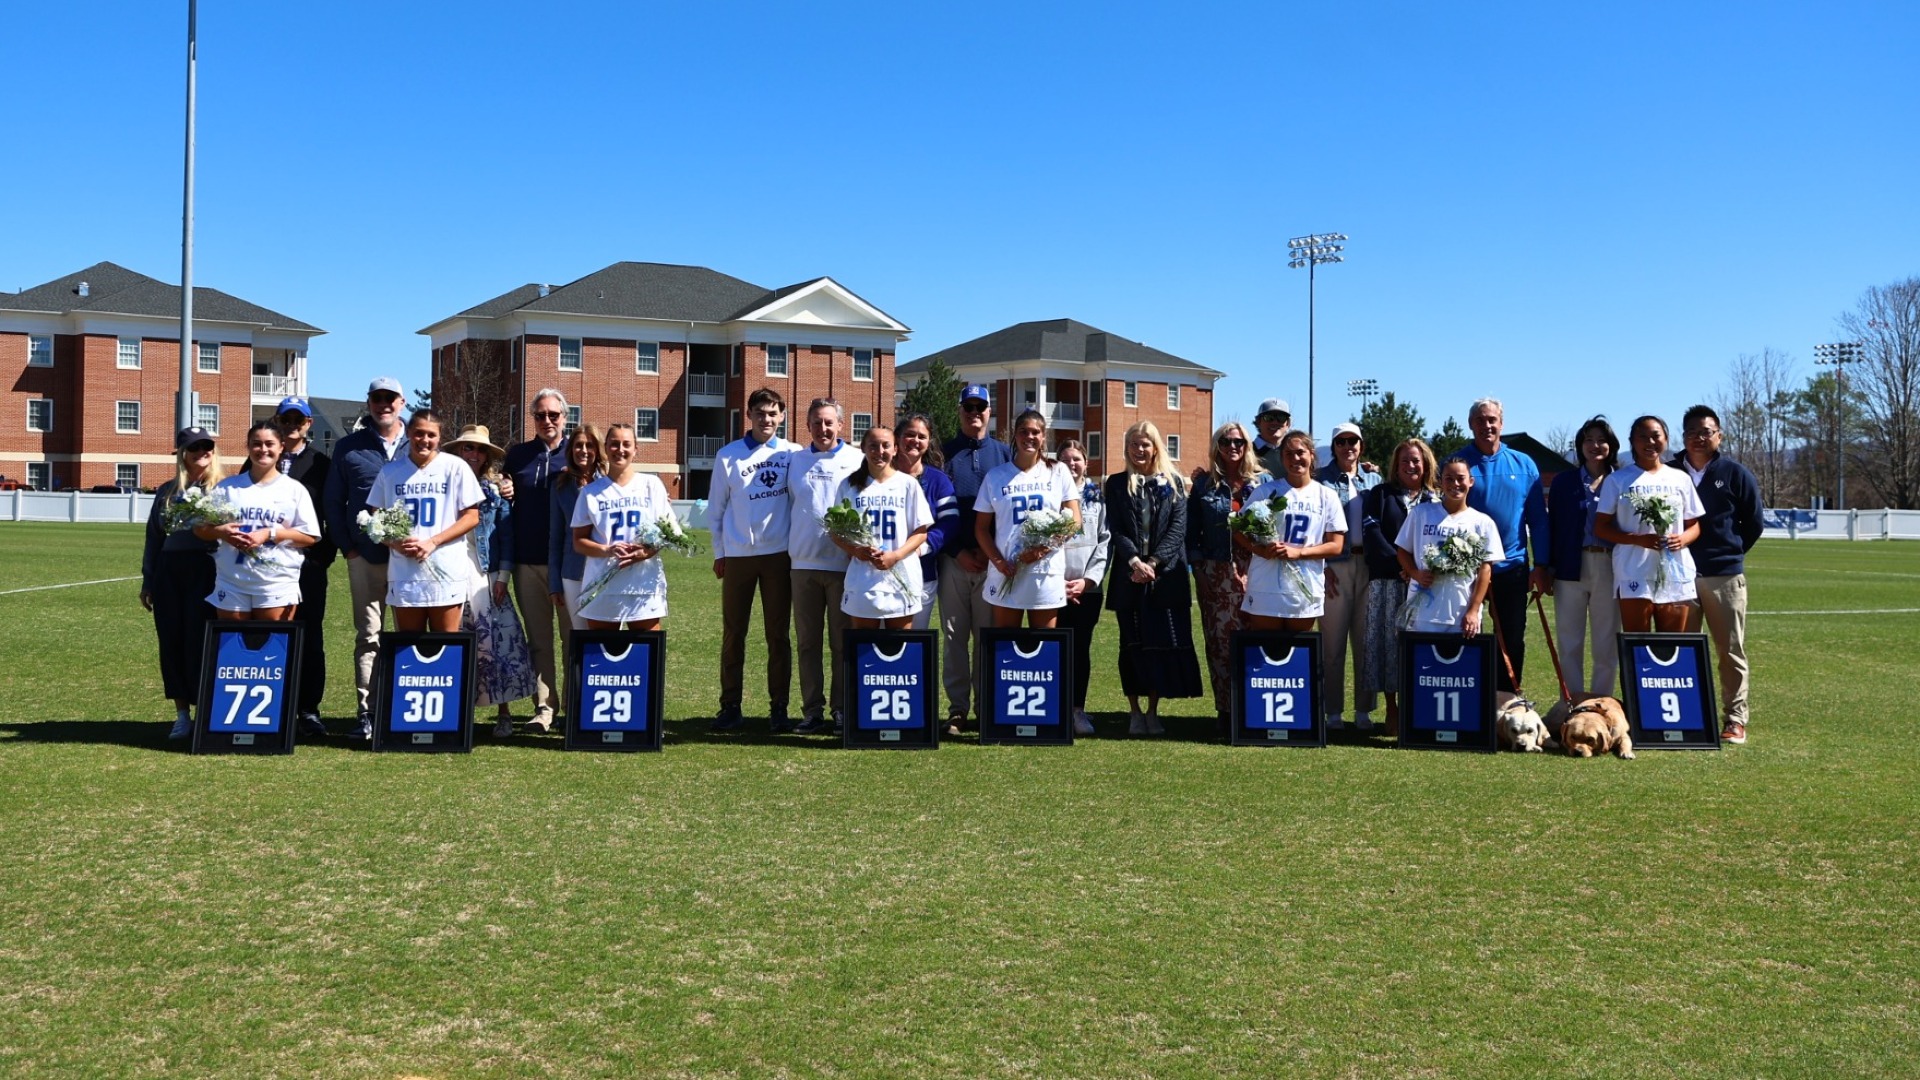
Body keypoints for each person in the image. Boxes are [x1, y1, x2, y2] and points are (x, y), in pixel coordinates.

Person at [322, 376, 410, 739]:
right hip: (367, 557)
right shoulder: (349, 447)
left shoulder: (420, 443)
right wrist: (350, 547)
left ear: (402, 402)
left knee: (412, 635)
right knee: (369, 636)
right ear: (369, 402)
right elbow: (332, 502)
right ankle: (367, 713)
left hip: (413, 560)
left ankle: (407, 709)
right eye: (377, 398)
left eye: (390, 398)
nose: (384, 404)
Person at [1104, 421, 1204, 736]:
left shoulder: (1173, 482)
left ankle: (1152, 711)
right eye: (1134, 443)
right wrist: (1135, 561)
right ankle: (1134, 712)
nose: (1140, 449)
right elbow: (1116, 527)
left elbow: (1178, 528)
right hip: (1128, 576)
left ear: (1156, 447)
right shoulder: (1117, 483)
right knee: (1132, 645)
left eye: (1145, 443)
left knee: (1158, 646)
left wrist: (1155, 563)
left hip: (1165, 578)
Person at [1673, 405, 1765, 745]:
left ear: (1719, 435)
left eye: (1706, 432)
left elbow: (1753, 523)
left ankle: (1735, 719)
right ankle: (1686, 715)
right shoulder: (1669, 472)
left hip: (1723, 577)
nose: (1698, 438)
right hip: (1677, 577)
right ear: (1682, 437)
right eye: (1692, 432)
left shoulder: (1735, 473)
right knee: (1680, 650)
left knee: (1729, 651)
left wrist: (1729, 553)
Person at [707, 388, 796, 732]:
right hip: (739, 556)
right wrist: (719, 553)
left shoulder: (793, 453)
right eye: (760, 413)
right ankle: (730, 706)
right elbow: (715, 511)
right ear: (749, 415)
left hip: (779, 557)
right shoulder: (728, 456)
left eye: (773, 413)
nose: (767, 419)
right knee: (734, 634)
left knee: (778, 635)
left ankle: (779, 708)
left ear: (783, 416)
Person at [1449, 398, 1550, 691]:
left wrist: (1541, 565)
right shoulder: (1457, 464)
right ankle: (1469, 696)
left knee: (1511, 637)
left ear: (1502, 424)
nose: (1487, 425)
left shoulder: (1524, 464)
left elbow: (1538, 521)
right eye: (1480, 420)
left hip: (1513, 567)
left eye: (1492, 419)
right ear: (1471, 425)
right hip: (1465, 569)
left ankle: (1506, 700)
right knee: (1465, 633)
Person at [448, 425, 537, 738]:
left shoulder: (495, 491)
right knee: (455, 642)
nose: (473, 454)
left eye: (479, 449)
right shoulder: (444, 484)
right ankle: (454, 712)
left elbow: (507, 536)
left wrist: (503, 576)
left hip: (485, 573)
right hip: (450, 573)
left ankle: (504, 713)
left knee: (498, 643)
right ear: (458, 451)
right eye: (467, 448)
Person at [366, 408, 484, 633]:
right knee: (408, 648)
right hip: (405, 572)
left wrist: (433, 542)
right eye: (419, 433)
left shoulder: (455, 467)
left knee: (446, 646)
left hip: (445, 570)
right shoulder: (390, 472)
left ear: (440, 437)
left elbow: (471, 516)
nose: (425, 440)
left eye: (432, 435)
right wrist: (395, 543)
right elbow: (376, 518)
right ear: (409, 432)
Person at [786, 399, 864, 734]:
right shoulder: (796, 460)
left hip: (843, 566)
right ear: (807, 425)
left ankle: (842, 710)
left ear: (841, 426)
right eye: (817, 422)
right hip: (802, 564)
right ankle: (812, 711)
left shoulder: (857, 460)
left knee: (841, 643)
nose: (823, 429)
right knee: (807, 644)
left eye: (829, 422)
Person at [939, 384, 1013, 733]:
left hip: (992, 563)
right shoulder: (944, 453)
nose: (974, 413)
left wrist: (990, 555)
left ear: (989, 411)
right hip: (954, 559)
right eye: (968, 407)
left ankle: (986, 706)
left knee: (987, 636)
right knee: (954, 637)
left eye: (980, 407)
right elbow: (935, 508)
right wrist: (956, 551)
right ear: (960, 411)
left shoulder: (1004, 453)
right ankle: (957, 709)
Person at [140, 427, 223, 740]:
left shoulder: (224, 490)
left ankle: (206, 711)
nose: (201, 452)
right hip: (170, 572)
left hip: (208, 570)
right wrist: (149, 580)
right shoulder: (166, 491)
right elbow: (154, 538)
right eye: (194, 447)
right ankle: (181, 715)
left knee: (200, 640)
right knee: (171, 640)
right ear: (182, 454)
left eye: (207, 446)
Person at [196, 421, 321, 622]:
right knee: (231, 645)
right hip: (232, 581)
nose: (263, 449)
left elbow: (309, 537)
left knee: (272, 648)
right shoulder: (227, 487)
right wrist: (221, 531)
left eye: (269, 444)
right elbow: (201, 529)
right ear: (248, 447)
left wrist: (270, 534)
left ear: (281, 447)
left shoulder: (294, 490)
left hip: (275, 583)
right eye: (256, 444)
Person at [502, 390, 573, 734]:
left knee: (573, 638)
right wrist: (502, 484)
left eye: (554, 415)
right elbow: (495, 485)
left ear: (565, 417)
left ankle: (578, 708)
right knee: (539, 641)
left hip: (570, 565)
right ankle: (545, 709)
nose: (548, 421)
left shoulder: (578, 453)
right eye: (541, 415)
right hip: (527, 562)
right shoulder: (518, 456)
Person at [1188, 421, 1265, 731]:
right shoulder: (1204, 485)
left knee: (1255, 638)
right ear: (1216, 446)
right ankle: (1226, 709)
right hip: (1215, 570)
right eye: (1226, 441)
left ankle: (1253, 706)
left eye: (1238, 442)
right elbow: (1192, 534)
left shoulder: (1262, 484)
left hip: (1256, 569)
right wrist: (1199, 572)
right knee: (1220, 643)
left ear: (1246, 446)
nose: (1233, 447)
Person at [1595, 415, 1704, 634]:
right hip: (1633, 569)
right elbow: (1600, 527)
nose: (1650, 442)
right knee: (1638, 647)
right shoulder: (1618, 480)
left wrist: (1682, 539)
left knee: (1672, 648)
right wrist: (1637, 540)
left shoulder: (1680, 478)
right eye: (1642, 437)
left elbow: (1695, 525)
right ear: (1632, 441)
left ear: (1666, 439)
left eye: (1656, 436)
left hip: (1674, 571)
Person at [974, 409, 1081, 629]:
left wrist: (1042, 549)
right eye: (1024, 431)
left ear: (1043, 437)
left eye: (1035, 432)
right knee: (1004, 647)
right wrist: (999, 562)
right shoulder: (996, 476)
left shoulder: (1058, 471)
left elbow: (1075, 521)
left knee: (1044, 647)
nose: (1029, 437)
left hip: (1045, 571)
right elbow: (981, 529)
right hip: (1007, 570)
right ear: (1015, 435)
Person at [1359, 438, 1438, 735]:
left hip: (1427, 587)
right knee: (1387, 645)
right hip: (1389, 581)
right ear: (1396, 465)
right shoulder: (1380, 494)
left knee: (1421, 647)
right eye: (1405, 460)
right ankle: (1392, 709)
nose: (1410, 465)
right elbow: (1373, 534)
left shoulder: (1436, 500)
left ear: (1426, 463)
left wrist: (1420, 572)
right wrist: (1405, 568)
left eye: (1416, 460)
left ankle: (1418, 708)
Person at [1546, 416, 1623, 698]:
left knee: (1606, 643)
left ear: (1611, 445)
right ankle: (1572, 703)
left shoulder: (1622, 479)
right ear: (1580, 445)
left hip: (1611, 566)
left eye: (1601, 439)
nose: (1595, 445)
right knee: (1569, 642)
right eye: (1588, 439)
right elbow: (1552, 526)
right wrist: (1548, 568)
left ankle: (1601, 704)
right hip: (1570, 567)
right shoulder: (1564, 482)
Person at [571, 423, 674, 632]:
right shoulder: (590, 492)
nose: (620, 449)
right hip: (603, 585)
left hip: (643, 584)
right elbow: (578, 542)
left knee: (647, 656)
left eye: (626, 444)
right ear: (606, 448)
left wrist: (645, 552)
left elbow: (669, 532)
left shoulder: (651, 485)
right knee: (602, 657)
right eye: (614, 444)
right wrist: (607, 550)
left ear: (635, 449)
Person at [1238, 430, 1344, 633]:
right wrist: (1261, 550)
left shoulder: (1327, 496)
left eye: (1300, 452)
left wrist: (1299, 553)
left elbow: (1336, 545)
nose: (1295, 458)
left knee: (1300, 655)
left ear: (1312, 455)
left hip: (1305, 587)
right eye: (1288, 454)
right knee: (1265, 652)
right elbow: (1237, 529)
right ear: (1282, 458)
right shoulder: (1265, 491)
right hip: (1266, 584)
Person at [273, 397, 334, 739]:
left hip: (307, 568)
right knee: (273, 636)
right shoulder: (263, 457)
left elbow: (333, 512)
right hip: (266, 570)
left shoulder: (321, 464)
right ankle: (277, 705)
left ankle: (308, 710)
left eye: (299, 419)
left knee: (310, 637)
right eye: (287, 418)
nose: (293, 424)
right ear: (278, 421)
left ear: (309, 424)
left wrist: (321, 557)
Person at [1317, 421, 1382, 732]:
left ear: (1361, 446)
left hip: (1368, 565)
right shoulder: (1320, 480)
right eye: (1341, 442)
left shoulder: (1374, 478)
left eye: (1353, 441)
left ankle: (1364, 711)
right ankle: (1332, 712)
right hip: (1335, 566)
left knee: (1365, 642)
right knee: (1332, 644)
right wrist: (1322, 565)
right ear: (1334, 447)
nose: (1348, 447)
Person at [834, 425, 933, 629]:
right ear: (863, 448)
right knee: (863, 649)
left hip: (901, 576)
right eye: (873, 446)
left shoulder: (908, 484)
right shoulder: (849, 485)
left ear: (895, 449)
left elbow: (921, 532)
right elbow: (835, 532)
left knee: (900, 650)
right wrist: (855, 550)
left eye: (886, 446)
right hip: (864, 579)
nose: (880, 452)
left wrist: (895, 556)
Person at [1395, 459, 1504, 635]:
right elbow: (1402, 551)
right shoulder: (1421, 513)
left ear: (1471, 481)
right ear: (1440, 481)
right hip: (1423, 612)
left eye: (1461, 478)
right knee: (1422, 661)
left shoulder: (1483, 522)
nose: (1455, 484)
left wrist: (1473, 610)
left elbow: (1485, 570)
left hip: (1460, 613)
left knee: (1461, 662)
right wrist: (1415, 573)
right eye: (1449, 478)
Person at [1057, 439, 1109, 736]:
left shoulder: (1097, 497)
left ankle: (1077, 710)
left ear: (1086, 463)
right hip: (1055, 587)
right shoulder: (1051, 494)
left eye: (1076, 459)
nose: (1072, 464)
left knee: (1081, 649)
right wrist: (1058, 581)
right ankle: (1056, 708)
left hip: (1087, 589)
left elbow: (1104, 541)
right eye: (1065, 459)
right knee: (1056, 648)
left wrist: (1086, 581)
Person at [892, 413, 958, 633]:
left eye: (922, 436)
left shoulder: (938, 480)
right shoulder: (880, 476)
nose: (915, 440)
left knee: (913, 643)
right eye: (910, 434)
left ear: (929, 442)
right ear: (898, 438)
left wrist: (921, 548)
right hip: (879, 574)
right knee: (879, 642)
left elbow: (949, 522)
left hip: (922, 574)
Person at [547, 424, 605, 633]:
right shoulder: (561, 486)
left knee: (606, 633)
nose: (584, 450)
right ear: (570, 450)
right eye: (578, 445)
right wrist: (554, 584)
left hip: (605, 570)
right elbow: (556, 537)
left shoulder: (610, 483)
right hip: (573, 572)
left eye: (590, 445)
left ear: (598, 450)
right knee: (581, 635)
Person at [1250, 398, 1292, 480]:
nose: (1275, 422)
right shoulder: (1247, 452)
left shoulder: (1294, 453)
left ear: (1288, 424)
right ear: (1258, 422)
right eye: (1268, 417)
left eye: (1281, 417)